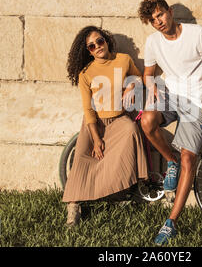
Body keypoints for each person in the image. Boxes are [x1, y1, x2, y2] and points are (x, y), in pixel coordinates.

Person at [138, 0, 202, 245]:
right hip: (170, 95)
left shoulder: (197, 34)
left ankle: (171, 222)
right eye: (153, 20)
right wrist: (151, 85)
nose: (159, 22)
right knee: (147, 121)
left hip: (196, 101)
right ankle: (170, 160)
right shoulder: (153, 41)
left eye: (160, 15)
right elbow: (148, 73)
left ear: (170, 11)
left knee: (189, 157)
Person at [62, 26, 148, 226]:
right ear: (88, 51)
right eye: (91, 46)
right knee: (84, 161)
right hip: (96, 124)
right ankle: (73, 208)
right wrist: (96, 138)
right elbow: (87, 109)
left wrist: (131, 87)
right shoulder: (86, 73)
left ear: (106, 40)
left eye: (99, 41)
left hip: (119, 120)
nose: (97, 47)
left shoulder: (123, 60)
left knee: (132, 130)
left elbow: (139, 77)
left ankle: (125, 192)